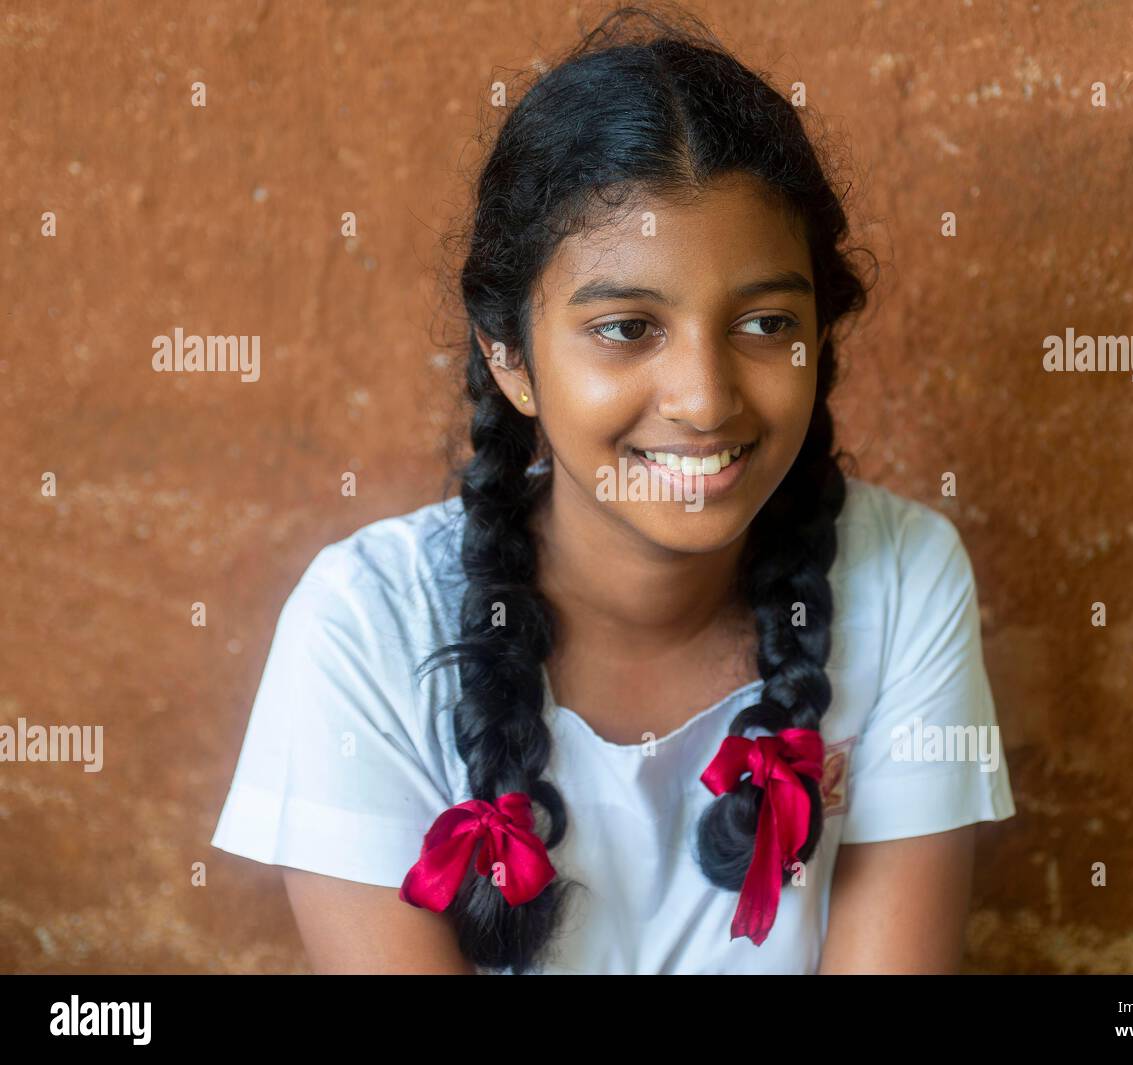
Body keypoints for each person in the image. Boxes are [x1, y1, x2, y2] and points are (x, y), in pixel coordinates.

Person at [210, 4, 1015, 975]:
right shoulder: (364, 628)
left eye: (764, 324)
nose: (705, 400)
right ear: (508, 357)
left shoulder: (903, 579)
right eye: (627, 328)